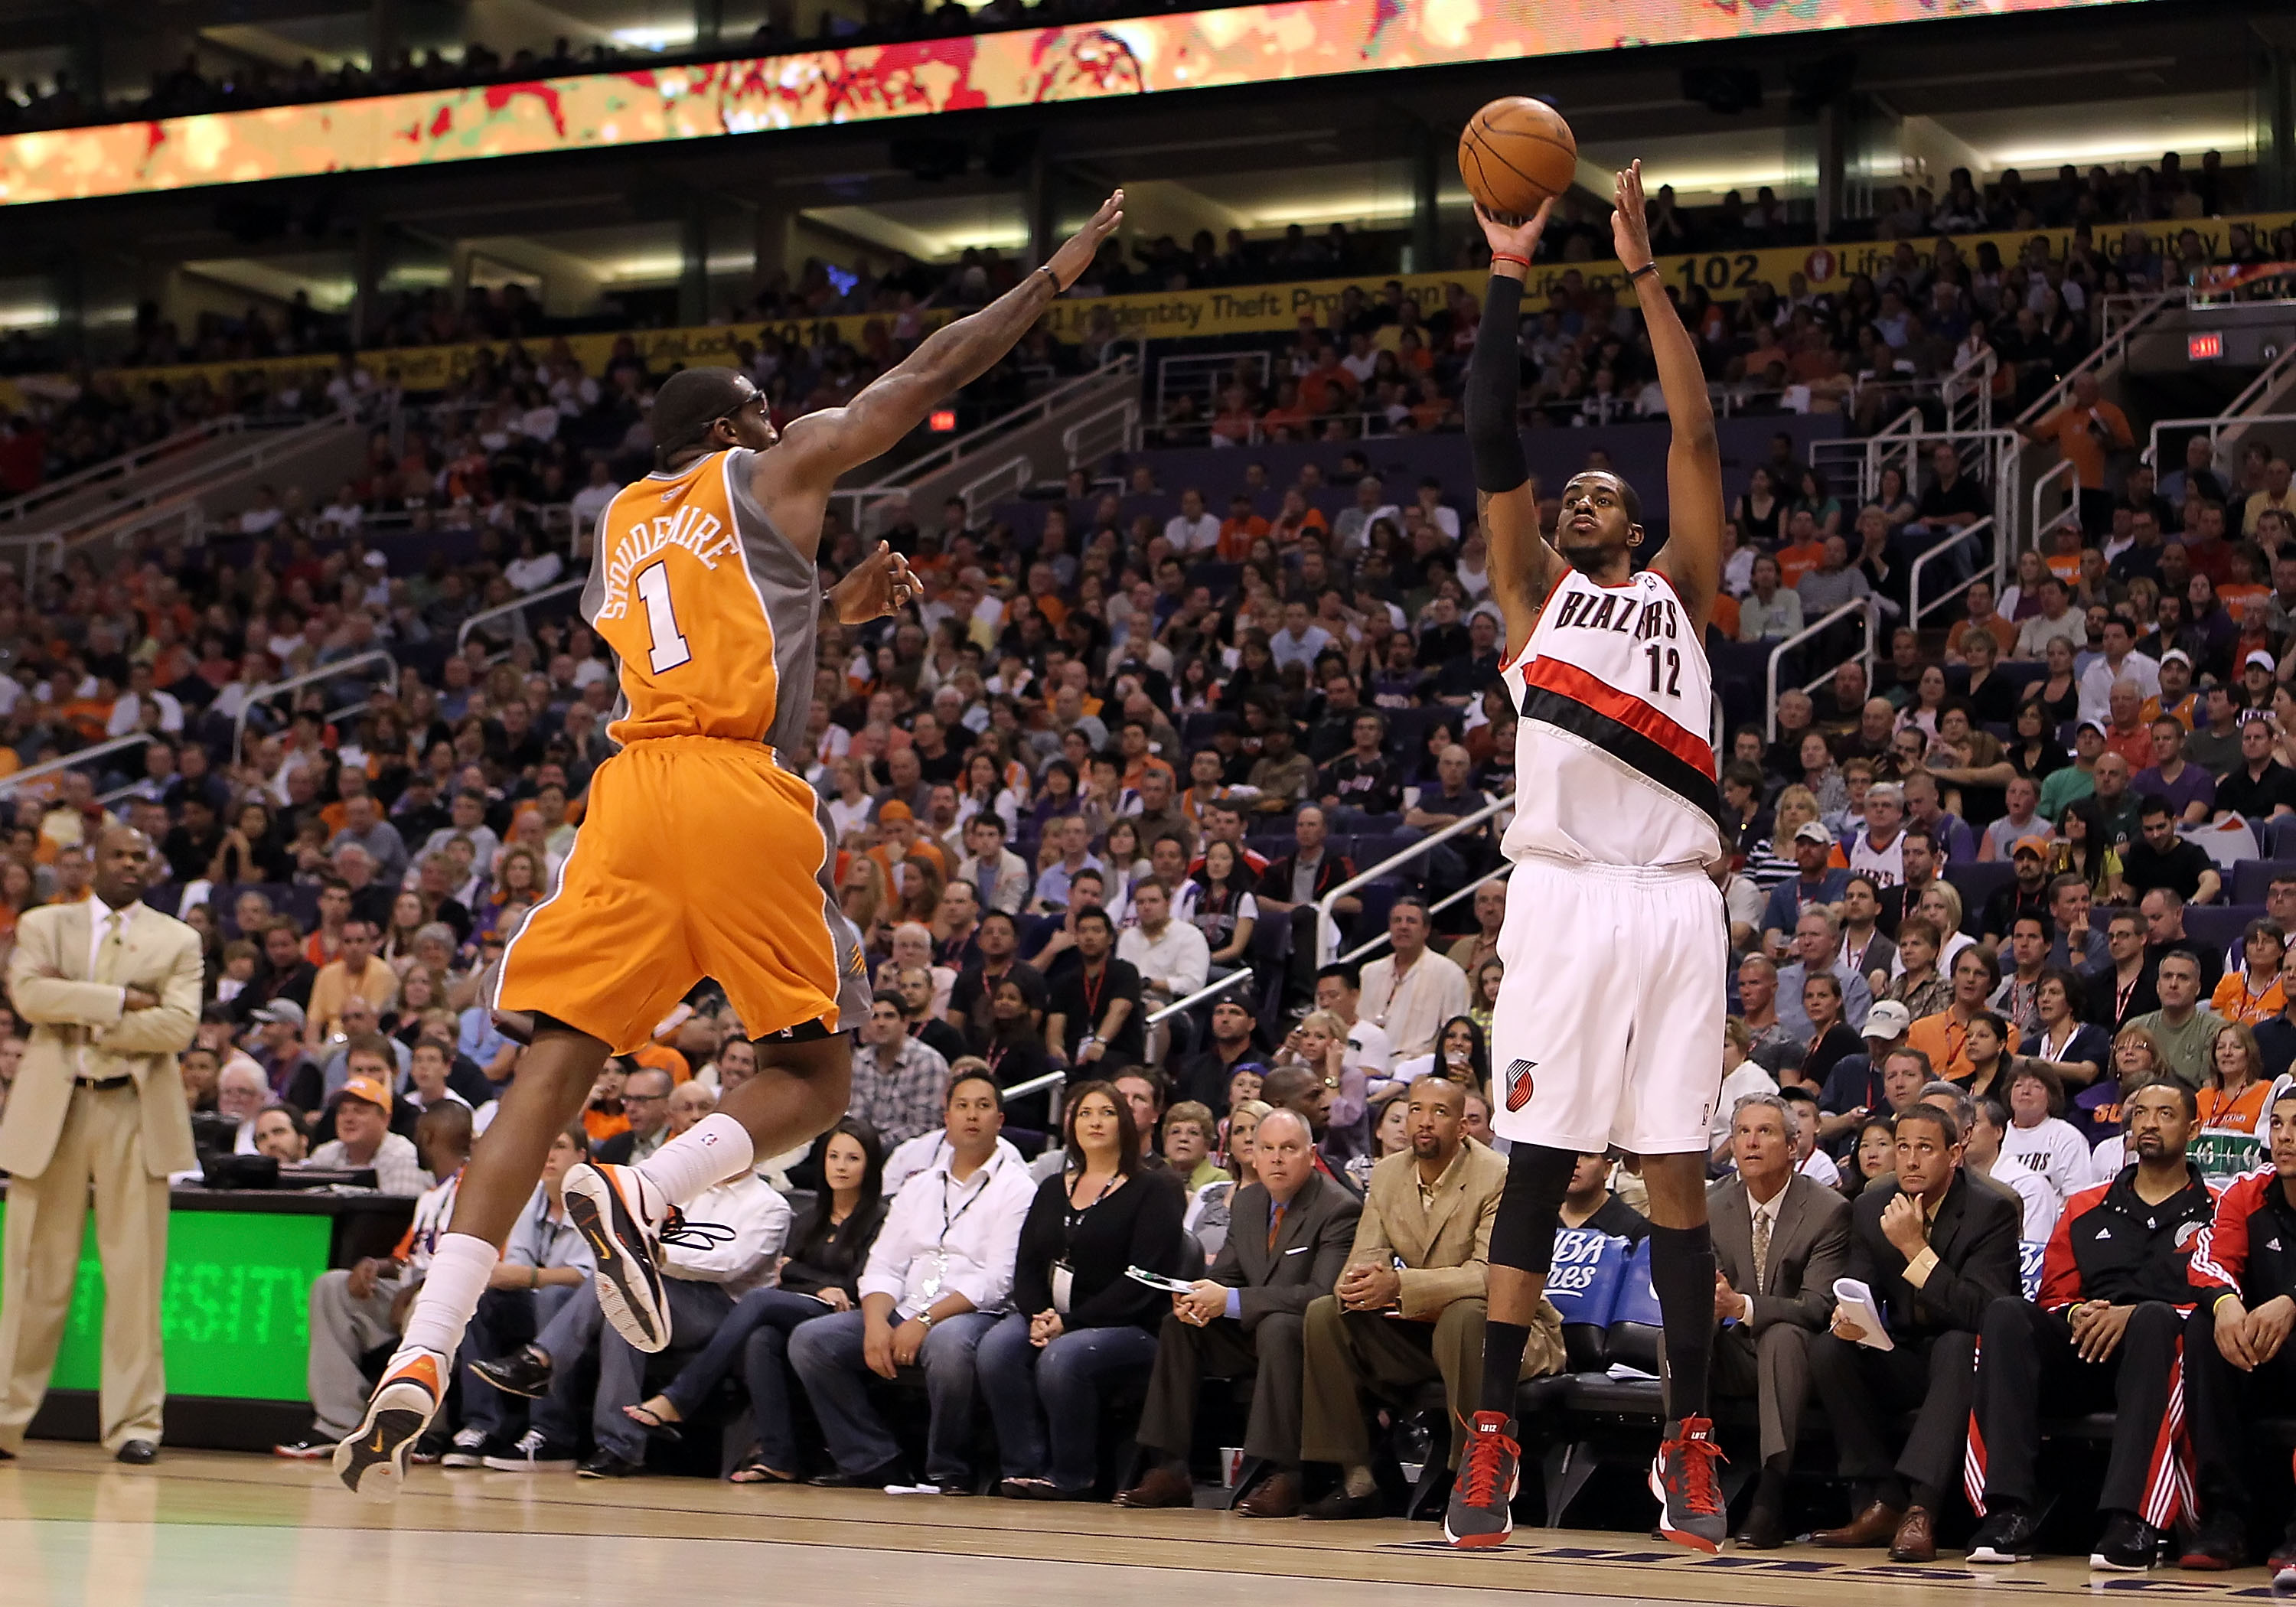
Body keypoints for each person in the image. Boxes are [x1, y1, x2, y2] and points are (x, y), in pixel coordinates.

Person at [332, 199, 1133, 1501]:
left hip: (627, 797)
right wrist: (1055, 274)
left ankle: (427, 1342)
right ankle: (648, 1196)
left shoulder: (618, 522)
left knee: (548, 1070)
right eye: (762, 407)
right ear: (723, 429)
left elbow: (712, 619)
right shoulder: (768, 468)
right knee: (814, 1075)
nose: (781, 419)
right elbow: (929, 371)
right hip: (735, 788)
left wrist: (828, 607)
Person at [1451, 162, 1733, 1553]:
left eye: (1604, 495)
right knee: (1538, 1158)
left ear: (1638, 528)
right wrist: (1509, 268)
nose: (1580, 499)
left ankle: (1691, 1439)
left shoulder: (1685, 592)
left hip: (1674, 900)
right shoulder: (1531, 600)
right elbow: (1489, 428)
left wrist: (1642, 274)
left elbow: (1696, 429)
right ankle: (1491, 1433)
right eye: (1570, 492)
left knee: (1673, 1169)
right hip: (1564, 896)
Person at [0, 826, 202, 1466]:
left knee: (135, 1277)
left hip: (134, 1110)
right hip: (52, 1110)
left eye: (140, 856)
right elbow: (29, 996)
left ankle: (135, 1425)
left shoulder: (179, 939)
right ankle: (4, 1420)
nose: (130, 864)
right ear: (94, 862)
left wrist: (80, 1013)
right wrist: (122, 1000)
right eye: (118, 854)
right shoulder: (44, 925)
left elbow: (179, 1026)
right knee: (32, 1275)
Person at [1964, 1080, 2213, 1567]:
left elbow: (2221, 1297)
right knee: (2007, 1313)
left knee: (2154, 1319)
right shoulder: (2085, 1206)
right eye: (2141, 1113)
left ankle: (2134, 1520)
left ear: (2193, 1129)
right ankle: (2009, 1512)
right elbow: (2055, 1296)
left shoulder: (2217, 1208)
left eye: (2165, 1114)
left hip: (2168, 1359)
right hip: (2086, 1351)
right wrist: (2078, 1313)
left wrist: (2132, 1315)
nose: (2149, 1123)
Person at [1300, 1076, 1563, 1519]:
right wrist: (1358, 1285)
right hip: (1424, 1330)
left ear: (1462, 1127)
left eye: (1440, 1112)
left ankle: (1470, 1476)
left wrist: (1400, 1287)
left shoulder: (1496, 1174)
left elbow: (1491, 1276)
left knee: (1464, 1317)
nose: (1424, 1121)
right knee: (1326, 1314)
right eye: (1416, 1110)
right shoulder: (1388, 1174)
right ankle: (1358, 1477)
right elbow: (1366, 1255)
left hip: (1505, 1333)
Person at [788, 1072, 1034, 1491]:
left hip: (971, 1311)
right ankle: (872, 1459)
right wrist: (875, 1323)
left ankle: (948, 1468)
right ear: (946, 1118)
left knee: (948, 1346)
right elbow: (883, 1265)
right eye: (962, 1106)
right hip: (905, 1304)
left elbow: (998, 1280)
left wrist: (924, 1320)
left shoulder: (1017, 1187)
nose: (972, 1115)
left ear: (1000, 1120)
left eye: (983, 1106)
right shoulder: (919, 1185)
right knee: (811, 1341)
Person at [1116, 1108, 1360, 1518]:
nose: (1277, 1158)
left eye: (1289, 1148)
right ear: (1255, 1156)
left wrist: (1229, 1301)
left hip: (1308, 1340)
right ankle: (1170, 1467)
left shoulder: (1339, 1208)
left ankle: (1284, 1473)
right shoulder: (1248, 1202)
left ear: (1312, 1153)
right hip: (1251, 1332)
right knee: (1179, 1326)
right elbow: (1227, 1274)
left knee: (1279, 1328)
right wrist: (1197, 1297)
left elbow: (1320, 1295)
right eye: (1268, 1148)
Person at [1808, 1102, 2022, 1563]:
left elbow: (1983, 1312)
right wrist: (1850, 1315)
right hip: (1905, 1354)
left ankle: (1922, 1508)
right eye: (1902, 1147)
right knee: (1830, 1350)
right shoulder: (1872, 1206)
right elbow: (1859, 1283)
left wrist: (1914, 1248)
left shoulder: (1993, 1211)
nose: (1910, 1160)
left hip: (1973, 1361)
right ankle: (1883, 1499)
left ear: (1955, 1154)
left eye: (1925, 1148)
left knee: (1957, 1346)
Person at [621, 1120, 889, 1482]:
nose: (841, 1167)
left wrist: (806, 1277)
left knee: (759, 1301)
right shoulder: (809, 1218)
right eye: (834, 1157)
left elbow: (861, 1280)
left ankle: (680, 1398)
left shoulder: (880, 1219)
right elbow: (785, 1273)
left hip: (851, 1314)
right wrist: (817, 1285)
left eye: (853, 1158)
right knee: (760, 1339)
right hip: (805, 1304)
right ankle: (779, 1457)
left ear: (870, 1166)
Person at [977, 1081, 1185, 1499]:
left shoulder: (1154, 1190)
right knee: (997, 1350)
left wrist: (1071, 1323)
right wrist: (1038, 1314)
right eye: (1085, 1113)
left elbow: (1142, 1279)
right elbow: (1027, 1265)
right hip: (1052, 1317)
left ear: (1124, 1123)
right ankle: (1024, 1467)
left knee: (1064, 1357)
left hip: (1128, 1326)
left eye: (1107, 1112)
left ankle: (1073, 1475)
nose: (1095, 1122)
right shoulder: (1052, 1188)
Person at [277, 1106, 473, 1460]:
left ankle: (427, 1431)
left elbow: (473, 1261)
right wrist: (373, 1266)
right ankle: (339, 1424)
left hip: (457, 1298)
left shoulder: (475, 1188)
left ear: (428, 1137)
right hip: (411, 1292)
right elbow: (407, 1259)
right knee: (331, 1288)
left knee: (425, 1305)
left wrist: (413, 1289)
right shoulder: (432, 1195)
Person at [1708, 1092, 1852, 1550]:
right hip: (1739, 1350)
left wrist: (1741, 1306)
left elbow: (1816, 1307)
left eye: (1765, 1132)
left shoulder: (1828, 1210)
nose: (1751, 1142)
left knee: (1782, 1336)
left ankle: (1771, 1496)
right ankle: (1689, 1484)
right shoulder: (1711, 1205)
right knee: (1678, 1338)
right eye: (1742, 1132)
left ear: (1793, 1147)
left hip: (1803, 1357)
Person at [2181, 1085, 2296, 1574]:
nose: (2285, 1137)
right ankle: (2225, 1516)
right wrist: (2227, 1304)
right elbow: (2209, 1259)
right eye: (2279, 1124)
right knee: (2202, 1326)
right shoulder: (2248, 1190)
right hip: (2263, 1356)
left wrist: (2292, 1301)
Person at [1357, 896, 1469, 1060]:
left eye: (1411, 921)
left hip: (1419, 1065)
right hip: (1366, 1062)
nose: (1403, 927)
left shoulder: (1450, 974)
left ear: (1426, 930)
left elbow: (1454, 1034)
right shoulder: (1369, 972)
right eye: (1397, 921)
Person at [2125, 950, 2227, 1089]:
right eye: (2167, 977)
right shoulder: (2136, 1027)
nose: (2173, 984)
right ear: (2158, 986)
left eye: (2183, 978)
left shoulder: (2215, 1029)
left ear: (2198, 988)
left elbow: (2210, 1089)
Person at [590, 1066, 672, 1165]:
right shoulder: (614, 1147)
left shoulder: (681, 1145)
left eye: (641, 1099)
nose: (630, 1108)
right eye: (627, 1099)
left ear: (667, 1103)